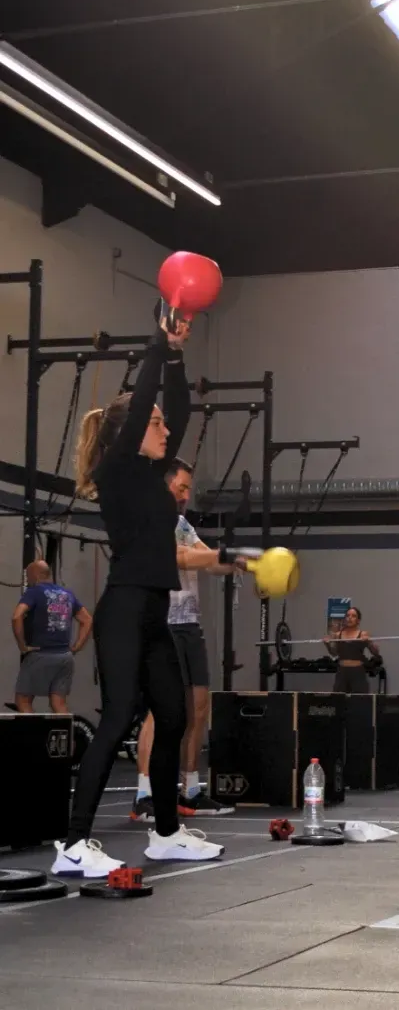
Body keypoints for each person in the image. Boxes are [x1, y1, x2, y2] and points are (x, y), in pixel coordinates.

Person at [52, 308, 226, 879]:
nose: (165, 429)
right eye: (154, 424)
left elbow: (178, 407)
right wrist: (155, 345)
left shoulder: (152, 476)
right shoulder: (121, 469)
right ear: (131, 433)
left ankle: (167, 835)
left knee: (174, 716)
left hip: (155, 608)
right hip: (124, 607)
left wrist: (175, 352)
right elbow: (149, 399)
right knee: (120, 714)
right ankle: (74, 843)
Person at [131, 458, 239, 823]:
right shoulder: (152, 521)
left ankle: (190, 789)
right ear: (165, 486)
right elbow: (181, 558)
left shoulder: (182, 524)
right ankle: (144, 795)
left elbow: (210, 562)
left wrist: (245, 562)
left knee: (198, 707)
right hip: (161, 621)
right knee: (159, 711)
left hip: (189, 624)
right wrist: (220, 555)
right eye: (182, 486)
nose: (187, 493)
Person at [11, 561, 92, 714]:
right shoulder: (67, 594)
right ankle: (67, 738)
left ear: (36, 575)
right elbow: (87, 619)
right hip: (65, 657)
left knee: (23, 699)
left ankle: (34, 737)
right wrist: (76, 647)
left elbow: (17, 616)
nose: (27, 580)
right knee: (58, 703)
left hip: (41, 654)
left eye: (28, 576)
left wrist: (22, 646)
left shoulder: (34, 592)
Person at [325, 604, 379, 694]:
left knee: (359, 702)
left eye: (353, 616)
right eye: (348, 615)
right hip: (342, 672)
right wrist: (327, 644)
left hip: (357, 672)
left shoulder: (363, 634)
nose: (350, 618)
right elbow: (334, 653)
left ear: (358, 620)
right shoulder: (338, 635)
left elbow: (376, 652)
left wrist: (369, 642)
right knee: (339, 701)